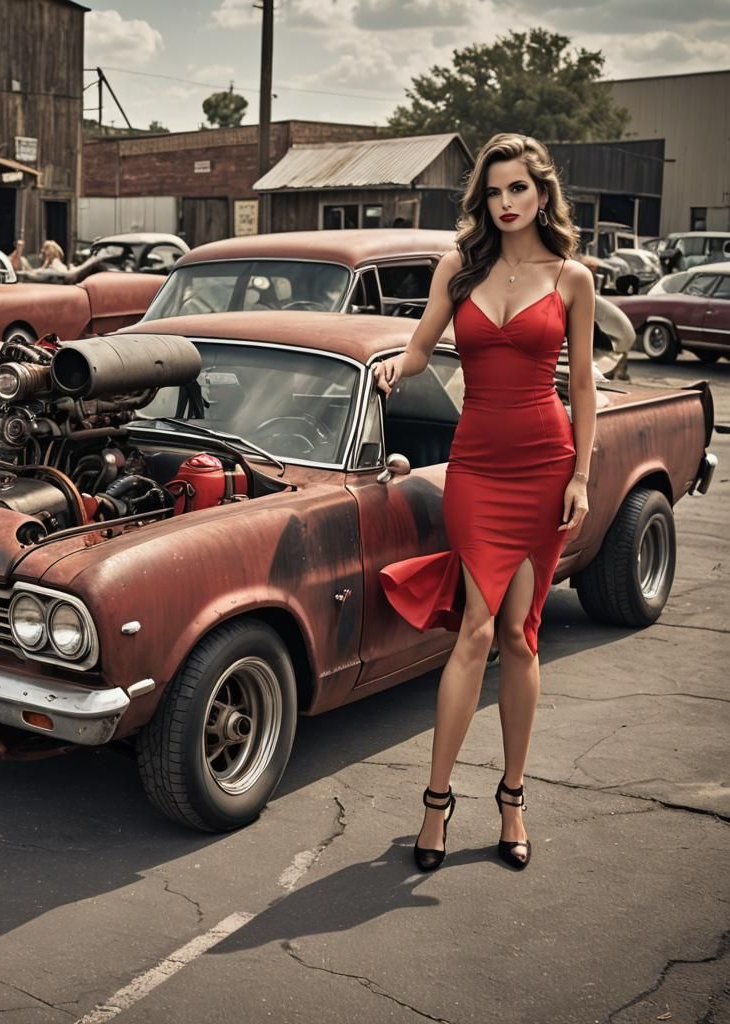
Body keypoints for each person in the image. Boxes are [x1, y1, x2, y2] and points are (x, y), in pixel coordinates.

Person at [374, 133, 596, 873]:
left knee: (520, 638)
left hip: (543, 463)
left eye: (518, 191)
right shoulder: (458, 268)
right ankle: (435, 803)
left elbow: (584, 388)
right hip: (477, 467)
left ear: (541, 194)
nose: (505, 204)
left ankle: (512, 796)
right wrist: (392, 371)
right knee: (473, 629)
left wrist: (582, 478)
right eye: (494, 191)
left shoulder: (571, 279)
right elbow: (418, 347)